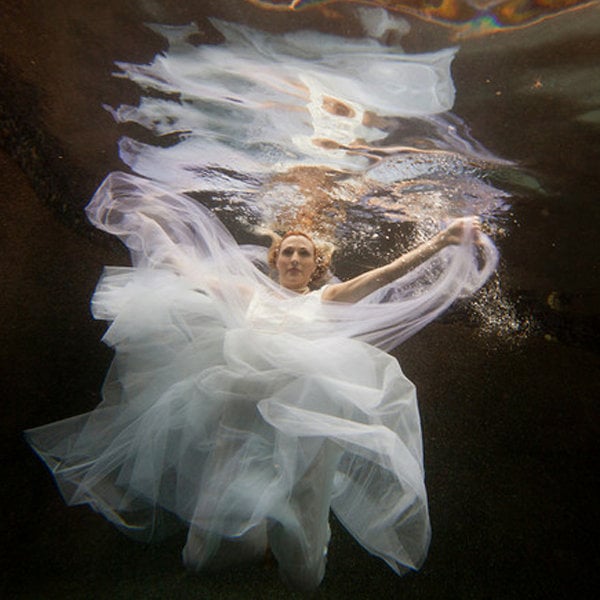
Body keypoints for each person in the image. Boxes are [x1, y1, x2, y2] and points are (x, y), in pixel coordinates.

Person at [25, 171, 497, 591]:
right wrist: (146, 225)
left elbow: (384, 276)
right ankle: (240, 547)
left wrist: (443, 240)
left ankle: (299, 566)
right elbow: (187, 269)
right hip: (245, 406)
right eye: (287, 251)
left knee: (306, 511)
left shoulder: (328, 298)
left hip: (307, 411)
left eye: (304, 253)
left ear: (317, 264)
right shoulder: (248, 294)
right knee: (206, 546)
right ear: (274, 258)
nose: (294, 259)